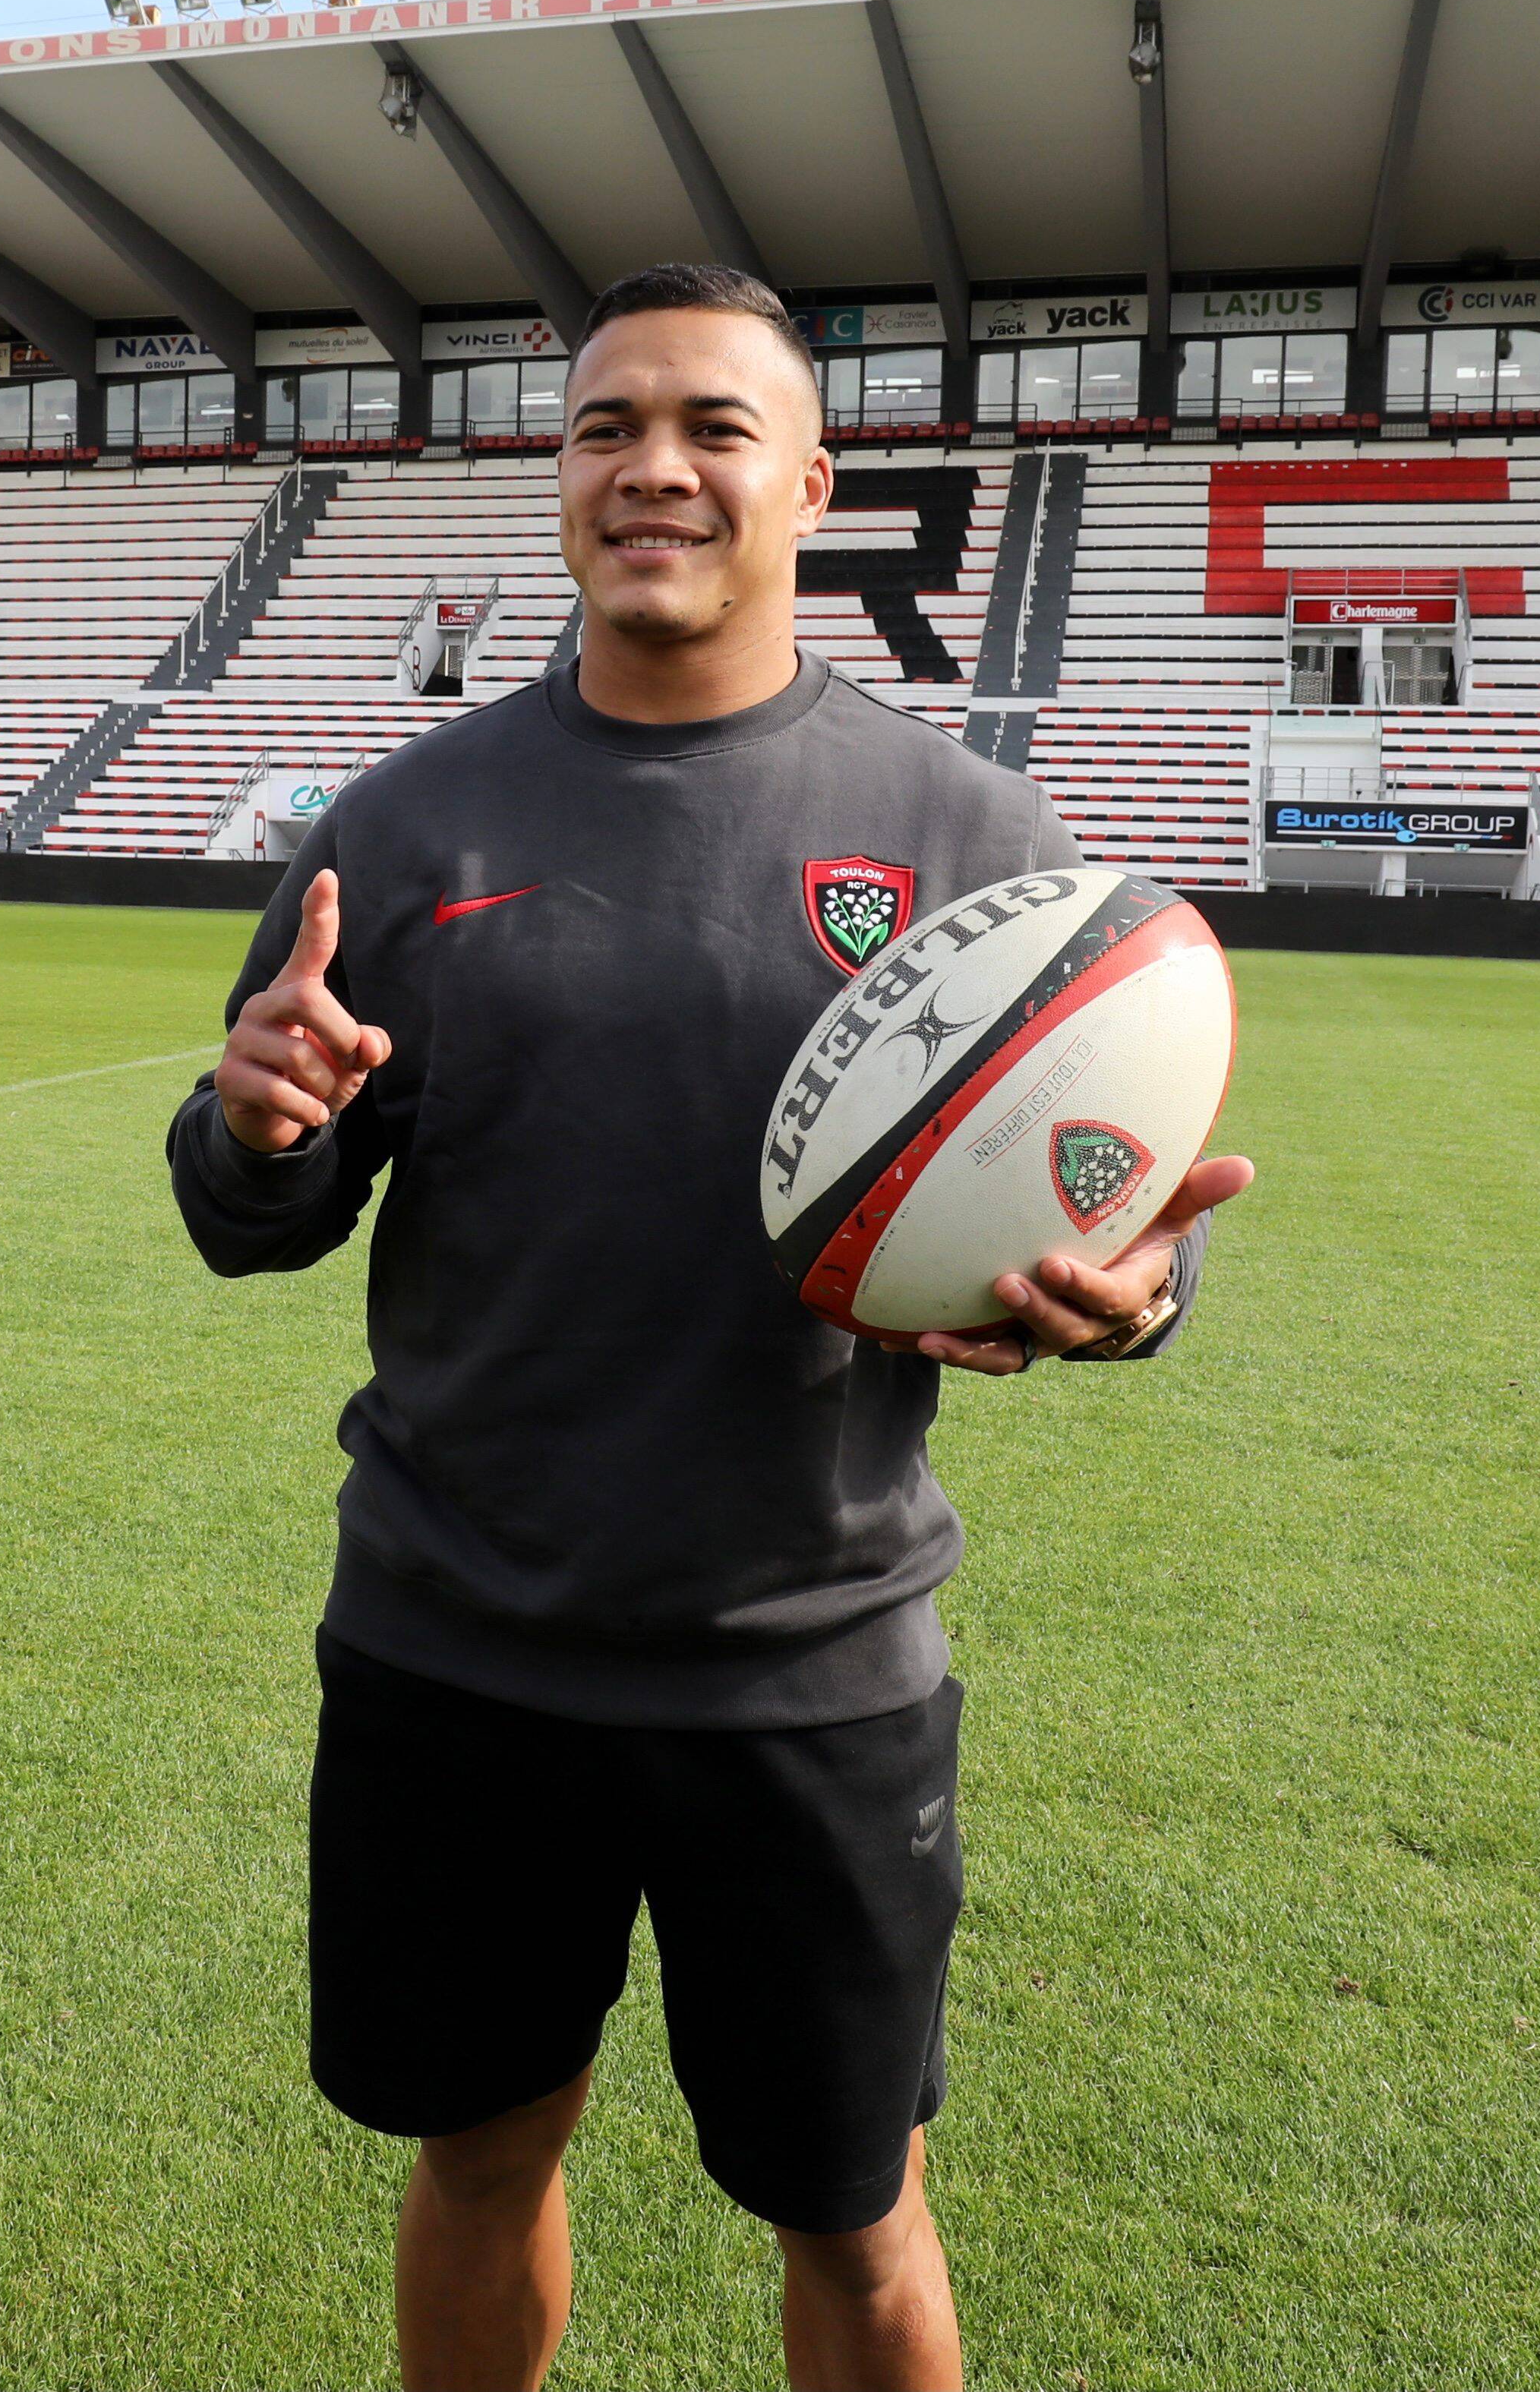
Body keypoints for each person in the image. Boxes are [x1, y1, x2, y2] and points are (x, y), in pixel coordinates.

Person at [167, 264, 1250, 2391]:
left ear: (811, 485)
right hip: (456, 1649)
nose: (650, 467)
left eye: (711, 428)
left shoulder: (968, 838)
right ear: (561, 474)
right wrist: (254, 1125)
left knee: (853, 2215)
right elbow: (248, 1211)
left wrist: (1131, 1296)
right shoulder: (409, 825)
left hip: (808, 1671)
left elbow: (1114, 1206)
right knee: (482, 2153)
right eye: (604, 427)